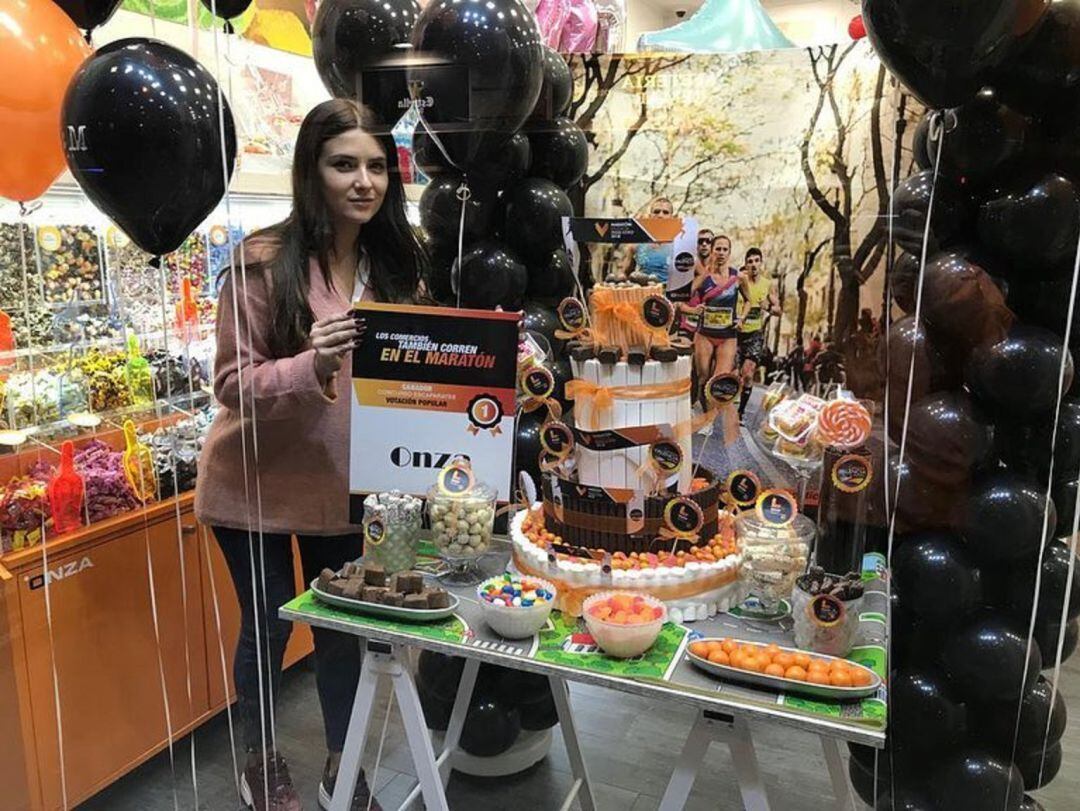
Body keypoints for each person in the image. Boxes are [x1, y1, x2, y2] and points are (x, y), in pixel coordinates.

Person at [196, 99, 428, 811]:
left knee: (342, 633)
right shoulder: (262, 263)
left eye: (376, 166)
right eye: (343, 164)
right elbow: (231, 384)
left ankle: (343, 761)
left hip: (349, 489)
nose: (364, 181)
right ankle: (260, 758)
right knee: (266, 627)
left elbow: (416, 383)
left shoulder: (397, 271)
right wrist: (310, 365)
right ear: (311, 171)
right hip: (255, 487)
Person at [680, 235, 741, 436]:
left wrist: (742, 318)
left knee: (718, 379)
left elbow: (749, 301)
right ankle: (705, 414)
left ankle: (710, 417)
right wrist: (692, 310)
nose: (721, 253)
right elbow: (683, 295)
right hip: (704, 334)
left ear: (729, 253)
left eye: (725, 249)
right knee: (703, 377)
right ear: (712, 251)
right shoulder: (704, 276)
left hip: (727, 335)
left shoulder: (738, 277)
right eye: (718, 249)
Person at [736, 247, 781, 424]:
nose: (753, 265)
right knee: (734, 372)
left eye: (756, 261)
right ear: (746, 265)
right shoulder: (739, 281)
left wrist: (768, 307)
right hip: (735, 331)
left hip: (754, 333)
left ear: (761, 263)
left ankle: (740, 412)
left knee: (747, 374)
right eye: (750, 261)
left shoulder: (768, 285)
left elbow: (779, 310)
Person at [617, 195, 674, 282]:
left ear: (671, 217)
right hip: (644, 293)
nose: (660, 215)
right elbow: (624, 273)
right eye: (656, 212)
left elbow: (698, 273)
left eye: (665, 212)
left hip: (668, 293)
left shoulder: (679, 245)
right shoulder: (636, 245)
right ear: (650, 216)